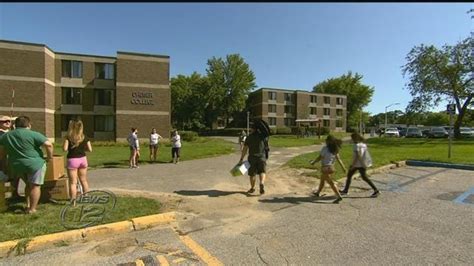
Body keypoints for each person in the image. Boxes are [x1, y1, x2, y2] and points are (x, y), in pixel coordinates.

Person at [0, 116, 54, 214]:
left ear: (15, 125)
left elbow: (2, 153)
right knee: (35, 186)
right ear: (29, 125)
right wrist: (50, 157)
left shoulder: (6, 136)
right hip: (35, 164)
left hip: (16, 165)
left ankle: (28, 205)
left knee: (28, 184)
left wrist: (4, 166)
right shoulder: (34, 134)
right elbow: (49, 144)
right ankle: (32, 209)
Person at [340, 133, 380, 198]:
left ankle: (376, 190)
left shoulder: (356, 145)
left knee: (355, 176)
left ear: (355, 138)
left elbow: (358, 156)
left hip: (357, 164)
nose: (352, 139)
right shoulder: (363, 145)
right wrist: (364, 164)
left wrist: (353, 165)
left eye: (352, 138)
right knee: (360, 177)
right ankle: (345, 190)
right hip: (362, 164)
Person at [62, 120, 92, 205]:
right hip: (83, 159)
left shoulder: (68, 137)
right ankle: (87, 199)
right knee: (84, 180)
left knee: (73, 182)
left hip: (72, 159)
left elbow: (64, 149)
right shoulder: (84, 137)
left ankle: (73, 201)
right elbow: (90, 149)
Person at [310, 135, 347, 204]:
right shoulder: (335, 149)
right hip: (331, 168)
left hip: (325, 168)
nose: (325, 141)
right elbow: (339, 159)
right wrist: (343, 167)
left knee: (331, 183)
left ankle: (339, 196)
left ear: (328, 141)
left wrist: (313, 162)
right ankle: (318, 192)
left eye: (326, 140)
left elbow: (320, 157)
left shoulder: (325, 148)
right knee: (322, 180)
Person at [238, 121, 268, 195]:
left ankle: (252, 188)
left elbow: (245, 149)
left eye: (251, 128)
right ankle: (261, 183)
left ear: (253, 129)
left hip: (252, 158)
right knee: (262, 171)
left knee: (252, 174)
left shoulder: (249, 137)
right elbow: (267, 146)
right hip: (262, 157)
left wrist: (241, 159)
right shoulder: (263, 136)